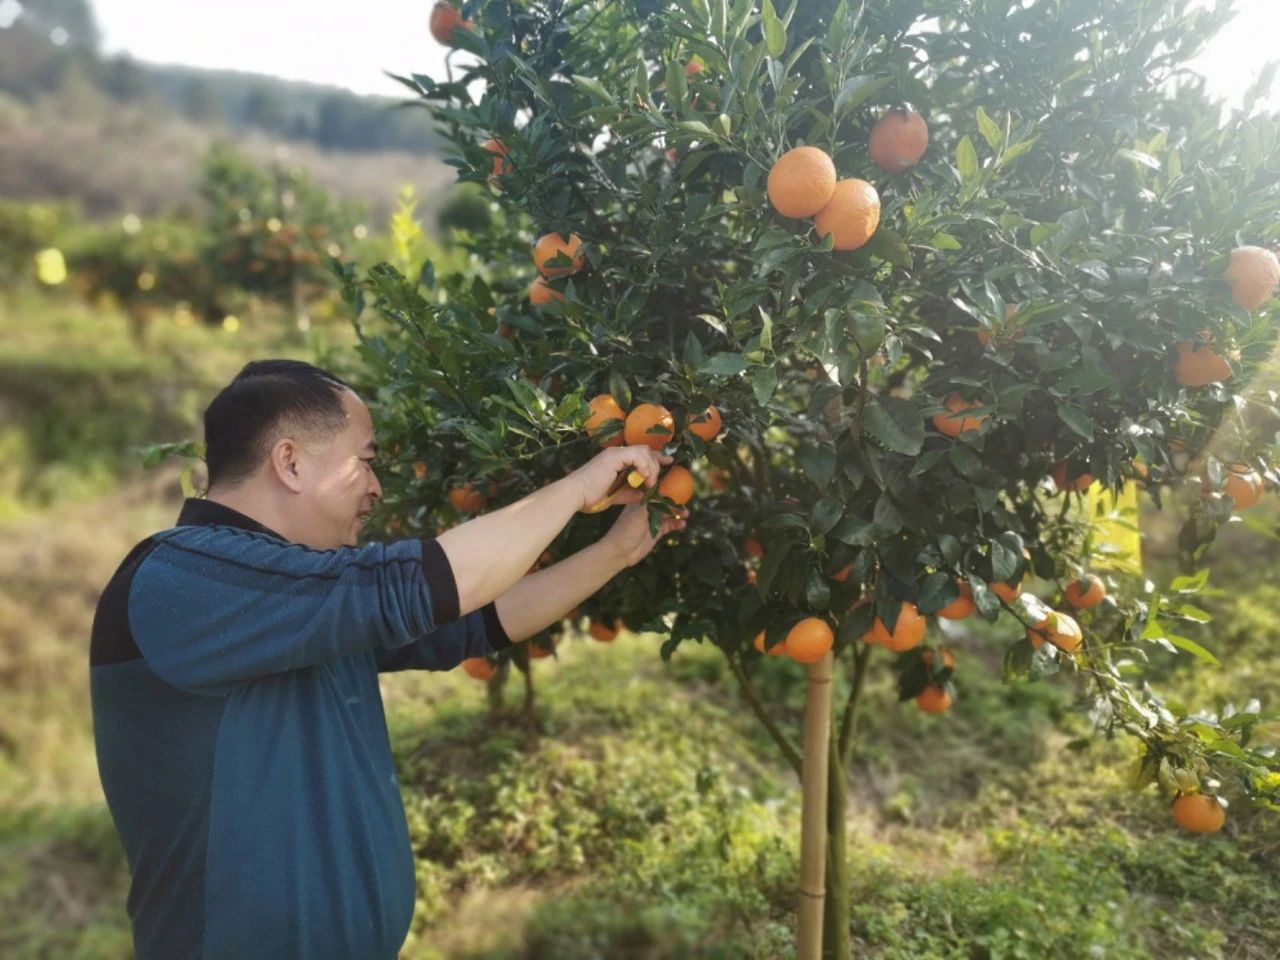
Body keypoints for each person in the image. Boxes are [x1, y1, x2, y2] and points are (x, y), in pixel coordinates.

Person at [89, 359, 689, 960]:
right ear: (290, 462)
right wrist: (578, 488)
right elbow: (424, 583)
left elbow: (479, 620)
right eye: (367, 461)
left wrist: (616, 552)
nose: (377, 487)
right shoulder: (182, 577)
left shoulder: (305, 594)